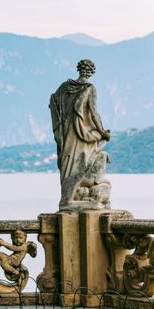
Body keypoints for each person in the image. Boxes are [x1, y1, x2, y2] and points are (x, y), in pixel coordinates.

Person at [49, 59, 111, 209]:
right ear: (91, 72)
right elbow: (94, 114)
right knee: (79, 165)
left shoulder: (63, 88)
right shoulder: (89, 88)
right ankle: (67, 201)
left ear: (79, 70)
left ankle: (67, 199)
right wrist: (103, 132)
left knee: (68, 166)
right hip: (81, 135)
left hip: (66, 135)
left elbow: (52, 103)